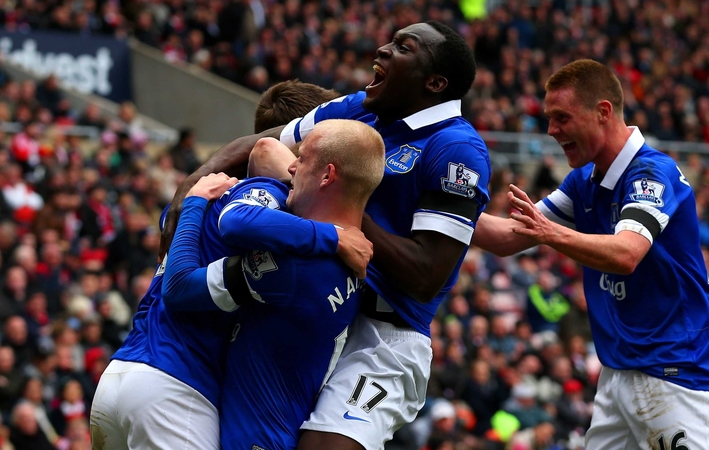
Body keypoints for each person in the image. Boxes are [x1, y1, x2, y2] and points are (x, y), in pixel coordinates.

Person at [161, 21, 490, 450]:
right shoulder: (361, 109)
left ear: (434, 82)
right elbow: (256, 144)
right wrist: (185, 197)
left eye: (403, 47)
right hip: (320, 312)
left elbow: (426, 275)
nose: (383, 49)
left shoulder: (456, 150)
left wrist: (344, 214)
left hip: (383, 337)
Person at [89, 85, 371, 450]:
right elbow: (184, 284)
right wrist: (332, 235)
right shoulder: (267, 203)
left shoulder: (211, 191)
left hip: (121, 376)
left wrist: (191, 202)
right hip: (177, 387)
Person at [473, 59, 709, 449]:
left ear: (603, 112)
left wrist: (550, 233)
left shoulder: (651, 173)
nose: (552, 130)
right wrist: (434, 210)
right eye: (549, 118)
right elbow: (507, 237)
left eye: (562, 118)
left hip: (675, 374)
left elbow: (626, 253)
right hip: (617, 374)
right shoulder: (583, 181)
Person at [161, 120, 386, 449]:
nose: (292, 167)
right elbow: (268, 151)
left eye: (303, 159)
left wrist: (194, 202)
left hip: (253, 440)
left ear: (327, 176)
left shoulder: (296, 265)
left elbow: (180, 286)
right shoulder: (355, 261)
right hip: (280, 431)